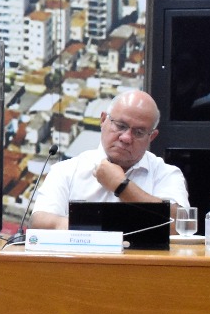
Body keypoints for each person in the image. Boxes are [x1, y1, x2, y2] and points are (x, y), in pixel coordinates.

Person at [29, 90, 188, 229]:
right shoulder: (66, 170)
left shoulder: (166, 174)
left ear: (151, 137)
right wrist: (96, 228)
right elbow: (39, 223)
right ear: (103, 120)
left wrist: (121, 186)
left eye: (138, 132)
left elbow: (179, 225)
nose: (126, 138)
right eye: (120, 126)